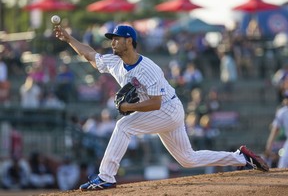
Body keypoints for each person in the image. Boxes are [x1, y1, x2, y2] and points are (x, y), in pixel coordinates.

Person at [54, 24, 269, 191]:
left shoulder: (148, 68)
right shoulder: (114, 62)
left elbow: (156, 102)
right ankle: (242, 158)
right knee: (187, 159)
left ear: (129, 41)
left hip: (167, 109)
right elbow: (90, 55)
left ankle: (105, 177)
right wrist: (69, 38)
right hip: (162, 111)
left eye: (116, 39)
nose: (112, 42)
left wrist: (128, 106)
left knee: (123, 126)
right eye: (112, 39)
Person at [265, 91, 288, 168]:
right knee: (282, 166)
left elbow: (274, 131)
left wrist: (268, 147)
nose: (285, 100)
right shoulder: (282, 111)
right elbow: (274, 130)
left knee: (283, 166)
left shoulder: (283, 112)